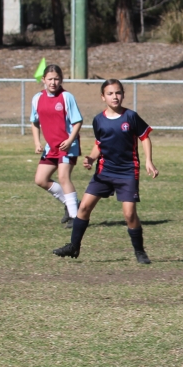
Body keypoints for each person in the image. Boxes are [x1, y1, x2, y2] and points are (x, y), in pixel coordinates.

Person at [51, 79, 158, 264]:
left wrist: (149, 160)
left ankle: (140, 252)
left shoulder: (130, 117)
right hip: (104, 171)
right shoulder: (98, 120)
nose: (114, 96)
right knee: (83, 208)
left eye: (117, 93)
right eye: (110, 93)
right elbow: (99, 144)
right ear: (103, 97)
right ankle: (73, 246)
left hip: (127, 172)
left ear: (123, 95)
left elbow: (145, 137)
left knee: (129, 214)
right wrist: (92, 158)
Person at [30, 64, 82, 228]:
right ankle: (72, 203)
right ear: (43, 80)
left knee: (63, 177)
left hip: (68, 145)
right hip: (50, 147)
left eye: (57, 79)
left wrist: (69, 140)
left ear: (61, 80)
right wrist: (37, 142)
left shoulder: (67, 97)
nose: (53, 82)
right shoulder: (37, 98)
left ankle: (76, 216)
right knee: (40, 180)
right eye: (50, 79)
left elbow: (78, 121)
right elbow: (34, 122)